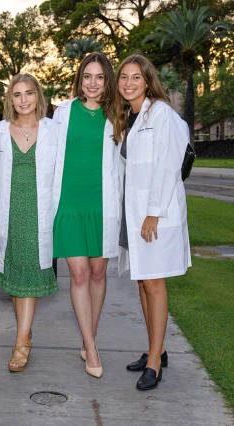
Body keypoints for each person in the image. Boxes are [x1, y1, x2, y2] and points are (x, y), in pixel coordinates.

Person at [113, 53, 191, 390]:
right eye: (124, 78)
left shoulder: (162, 115)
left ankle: (156, 362)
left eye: (136, 77)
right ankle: (153, 349)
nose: (128, 83)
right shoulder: (128, 117)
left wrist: (152, 213)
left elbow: (169, 165)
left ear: (148, 81)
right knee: (143, 282)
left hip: (152, 215)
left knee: (154, 284)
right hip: (134, 214)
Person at [51, 52, 120, 378]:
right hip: (68, 204)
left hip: (102, 205)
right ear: (79, 78)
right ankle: (92, 348)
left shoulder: (117, 115)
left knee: (96, 273)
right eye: (87, 76)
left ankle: (86, 337)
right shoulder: (63, 113)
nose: (92, 83)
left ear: (107, 80)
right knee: (78, 274)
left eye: (99, 77)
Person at [0, 74, 59, 372]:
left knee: (30, 272)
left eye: (29, 93)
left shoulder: (54, 130)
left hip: (39, 209)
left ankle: (21, 342)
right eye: (17, 95)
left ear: (38, 96)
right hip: (8, 210)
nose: (23, 100)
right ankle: (26, 331)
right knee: (17, 277)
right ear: (10, 100)